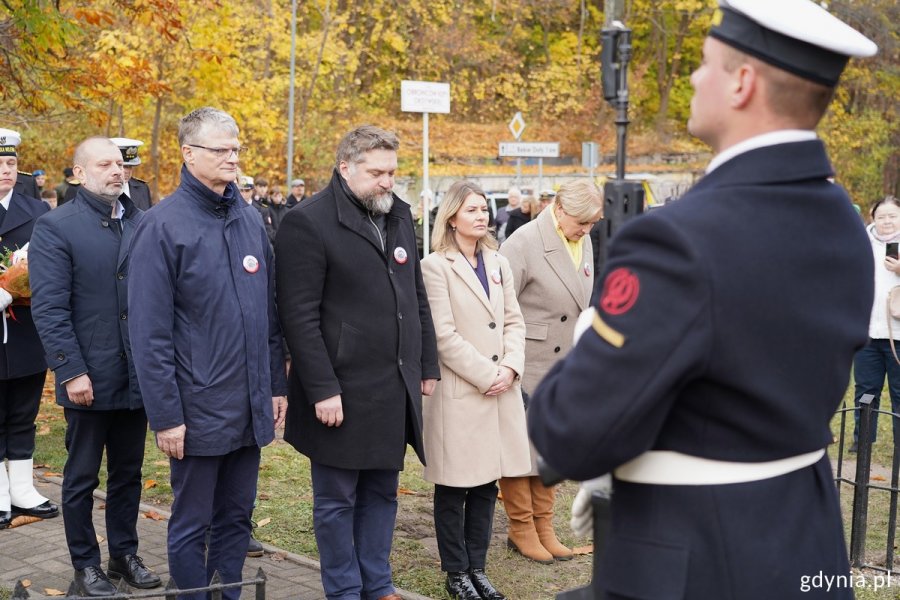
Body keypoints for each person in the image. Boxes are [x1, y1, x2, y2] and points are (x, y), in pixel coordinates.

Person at [527, 1, 878, 598]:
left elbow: (569, 434)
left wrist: (596, 337)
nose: (692, 77)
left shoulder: (678, 239)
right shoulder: (843, 224)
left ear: (742, 82)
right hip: (805, 542)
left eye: (706, 63)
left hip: (695, 561)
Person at [127, 107, 288, 600]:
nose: (232, 157)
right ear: (188, 153)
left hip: (249, 404)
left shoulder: (249, 219)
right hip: (196, 408)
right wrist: (167, 416)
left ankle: (230, 594)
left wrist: (277, 386)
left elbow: (268, 311)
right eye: (221, 149)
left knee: (237, 515)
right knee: (193, 520)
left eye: (236, 148)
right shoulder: (161, 227)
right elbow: (149, 335)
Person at [275, 124, 439, 600]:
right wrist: (323, 389)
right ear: (345, 168)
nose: (388, 181)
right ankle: (344, 589)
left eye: (392, 171)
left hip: (392, 384)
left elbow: (416, 298)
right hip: (340, 389)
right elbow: (299, 317)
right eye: (377, 172)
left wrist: (426, 364)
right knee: (337, 500)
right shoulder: (307, 222)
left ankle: (379, 582)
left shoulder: (399, 216)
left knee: (383, 493)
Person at [29, 136, 161, 596]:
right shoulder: (55, 227)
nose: (117, 171)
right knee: (83, 476)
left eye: (120, 164)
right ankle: (85, 565)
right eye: (104, 164)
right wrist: (70, 370)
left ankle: (123, 555)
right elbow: (49, 308)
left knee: (128, 473)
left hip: (136, 376)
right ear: (79, 173)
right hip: (88, 375)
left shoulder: (144, 223)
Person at [421, 180, 531, 600]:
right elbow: (443, 337)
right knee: (453, 487)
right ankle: (456, 573)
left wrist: (511, 367)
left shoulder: (498, 262)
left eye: (484, 209)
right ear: (451, 216)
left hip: (500, 389)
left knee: (487, 485)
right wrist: (488, 375)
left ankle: (478, 569)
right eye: (471, 210)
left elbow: (514, 322)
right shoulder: (435, 266)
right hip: (462, 393)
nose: (481, 216)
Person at [497, 179, 602, 564]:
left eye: (593, 224)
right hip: (529, 358)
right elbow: (501, 307)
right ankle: (520, 528)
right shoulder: (523, 242)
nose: (587, 230)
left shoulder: (583, 239)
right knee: (521, 447)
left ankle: (544, 524)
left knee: (549, 447)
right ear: (559, 209)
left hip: (564, 363)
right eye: (582, 222)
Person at [0, 128, 56, 530]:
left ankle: (21, 487)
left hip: (24, 332)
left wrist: (12, 288)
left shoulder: (37, 212)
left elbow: (51, 264)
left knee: (23, 411)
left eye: (11, 163)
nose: (5, 171)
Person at [852, 195, 900, 453]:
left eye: (893, 215)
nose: (887, 221)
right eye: (882, 216)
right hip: (867, 332)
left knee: (899, 392)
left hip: (899, 335)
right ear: (873, 218)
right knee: (865, 391)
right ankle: (862, 442)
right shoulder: (861, 243)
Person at [110, 137, 153, 210]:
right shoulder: (100, 189)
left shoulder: (142, 188)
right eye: (122, 166)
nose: (127, 171)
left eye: (130, 166)